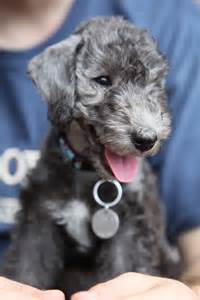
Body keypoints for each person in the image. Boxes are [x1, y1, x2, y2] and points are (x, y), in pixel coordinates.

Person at [0, 0, 200, 299]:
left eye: (150, 83)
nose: (142, 124)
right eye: (103, 81)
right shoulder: (49, 169)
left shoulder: (173, 21)